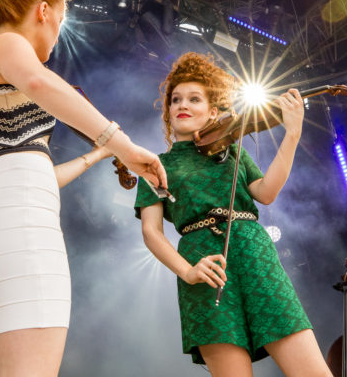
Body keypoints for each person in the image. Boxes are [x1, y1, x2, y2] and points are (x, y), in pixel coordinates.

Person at [0, 0, 167, 377]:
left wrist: (98, 155)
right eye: (60, 21)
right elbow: (42, 85)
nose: (58, 35)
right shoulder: (7, 45)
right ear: (44, 11)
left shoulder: (1, 71)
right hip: (17, 232)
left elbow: (31, 172)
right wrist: (124, 144)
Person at [134, 52, 333, 377]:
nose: (182, 104)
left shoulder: (232, 152)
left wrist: (292, 134)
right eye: (176, 99)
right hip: (204, 266)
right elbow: (151, 232)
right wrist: (187, 271)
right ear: (169, 111)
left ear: (213, 111)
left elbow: (266, 192)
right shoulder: (156, 165)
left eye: (194, 99)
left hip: (254, 252)